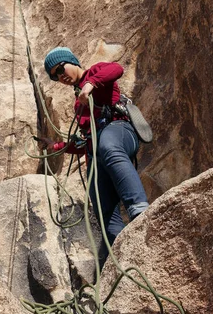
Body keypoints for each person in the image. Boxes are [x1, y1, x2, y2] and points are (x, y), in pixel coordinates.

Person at [42, 47, 149, 260]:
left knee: (107, 146)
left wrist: (90, 84)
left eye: (61, 68)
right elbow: (85, 142)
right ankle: (120, 252)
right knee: (98, 197)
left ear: (72, 62)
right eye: (55, 76)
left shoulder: (95, 73)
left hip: (119, 131)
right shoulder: (78, 104)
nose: (60, 76)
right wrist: (54, 146)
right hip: (97, 146)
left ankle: (139, 210)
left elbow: (116, 69)